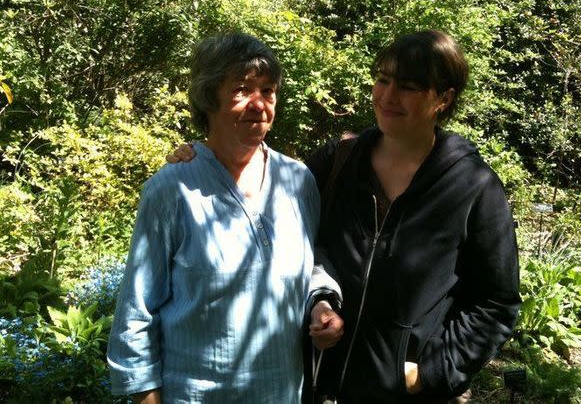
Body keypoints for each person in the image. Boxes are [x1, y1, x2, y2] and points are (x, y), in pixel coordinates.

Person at [168, 30, 521, 403]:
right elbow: (272, 216)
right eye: (382, 80)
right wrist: (204, 156)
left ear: (444, 98)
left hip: (400, 394)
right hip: (317, 384)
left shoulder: (472, 188)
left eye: (408, 87)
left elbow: (496, 301)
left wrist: (431, 373)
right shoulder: (338, 162)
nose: (387, 96)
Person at [107, 33, 321, 404]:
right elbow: (136, 311)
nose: (259, 104)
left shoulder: (297, 180)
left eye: (268, 91)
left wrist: (323, 303)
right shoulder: (172, 189)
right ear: (209, 97)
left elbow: (313, 265)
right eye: (242, 89)